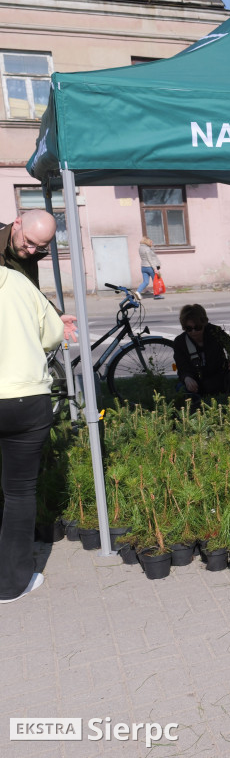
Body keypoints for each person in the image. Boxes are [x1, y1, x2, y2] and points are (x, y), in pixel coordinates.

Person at [0, 267, 76, 603]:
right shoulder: (17, 281)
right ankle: (11, 584)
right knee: (18, 492)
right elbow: (52, 335)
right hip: (25, 398)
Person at [1, 210, 77, 342]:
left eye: (40, 247)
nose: (31, 250)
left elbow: (32, 293)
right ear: (18, 223)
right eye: (29, 241)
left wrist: (55, 316)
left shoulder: (26, 253)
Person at [172, 304, 230, 404]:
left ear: (204, 323)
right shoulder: (180, 342)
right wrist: (187, 378)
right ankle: (194, 411)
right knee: (180, 388)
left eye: (197, 327)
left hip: (221, 379)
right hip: (198, 383)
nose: (193, 332)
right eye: (188, 328)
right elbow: (182, 367)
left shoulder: (215, 332)